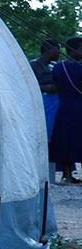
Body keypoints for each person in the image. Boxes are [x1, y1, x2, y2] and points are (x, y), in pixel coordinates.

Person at [51, 38, 82, 185]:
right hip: (78, 107)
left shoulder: (57, 68)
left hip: (63, 107)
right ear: (73, 49)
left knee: (66, 140)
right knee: (77, 140)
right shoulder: (80, 69)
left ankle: (67, 174)